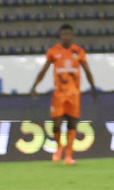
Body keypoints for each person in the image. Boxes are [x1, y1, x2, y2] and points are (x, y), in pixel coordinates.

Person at [30, 24, 96, 165]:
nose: (66, 36)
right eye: (63, 34)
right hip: (59, 95)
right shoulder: (54, 52)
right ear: (60, 36)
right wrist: (35, 86)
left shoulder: (78, 52)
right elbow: (43, 70)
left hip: (74, 95)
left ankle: (69, 156)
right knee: (57, 124)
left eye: (68, 34)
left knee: (72, 123)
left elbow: (87, 71)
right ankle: (59, 146)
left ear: (72, 36)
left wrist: (93, 87)